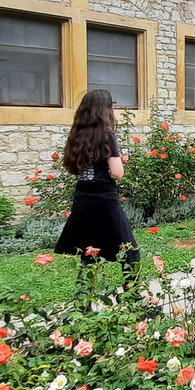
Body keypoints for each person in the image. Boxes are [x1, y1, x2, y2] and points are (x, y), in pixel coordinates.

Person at [54, 89, 141, 270]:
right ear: (105, 109)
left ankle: (84, 296)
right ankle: (131, 295)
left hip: (82, 199)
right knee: (130, 252)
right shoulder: (107, 135)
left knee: (89, 254)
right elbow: (117, 172)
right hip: (105, 199)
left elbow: (73, 168)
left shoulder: (77, 134)